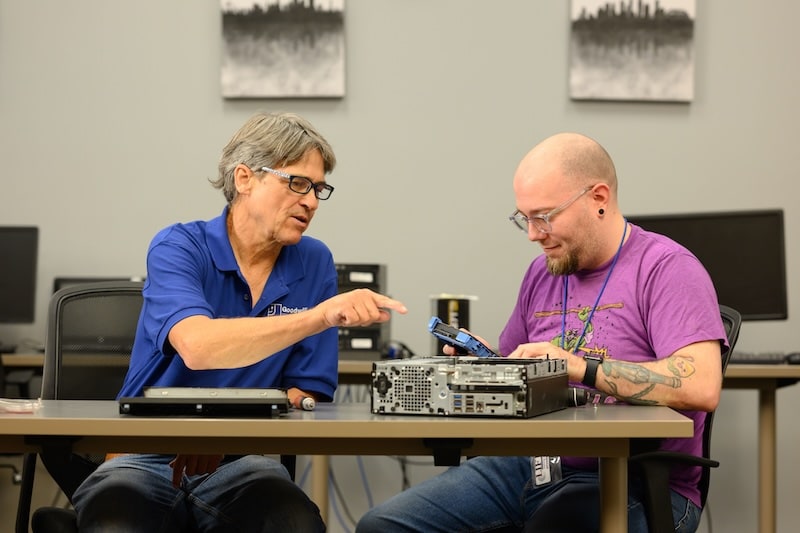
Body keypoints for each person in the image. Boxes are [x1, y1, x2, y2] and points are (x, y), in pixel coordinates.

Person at [356, 132, 727, 533]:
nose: (533, 234)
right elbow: (518, 376)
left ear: (598, 198)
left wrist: (579, 368)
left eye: (544, 216)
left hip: (631, 478)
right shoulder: (542, 272)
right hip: (531, 467)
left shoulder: (667, 268)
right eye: (524, 218)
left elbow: (702, 386)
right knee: (382, 526)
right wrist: (482, 368)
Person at [72, 111, 407, 532]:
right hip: (144, 455)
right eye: (297, 183)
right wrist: (321, 316)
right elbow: (198, 346)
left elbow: (307, 393)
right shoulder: (179, 245)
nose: (310, 201)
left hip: (242, 462)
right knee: (117, 524)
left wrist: (226, 435)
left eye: (319, 189)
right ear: (245, 177)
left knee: (296, 524)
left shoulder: (314, 260)